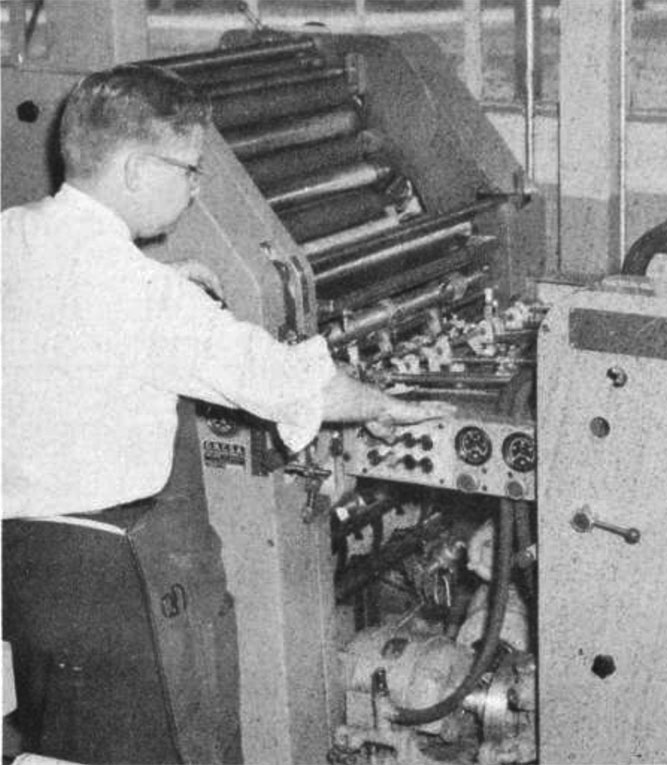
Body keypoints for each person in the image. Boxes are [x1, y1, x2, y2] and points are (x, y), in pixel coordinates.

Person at [1, 64, 452, 763]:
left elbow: (63, 311)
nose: (197, 187)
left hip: (26, 567)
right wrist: (385, 405)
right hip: (111, 576)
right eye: (188, 169)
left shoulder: (15, 233)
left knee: (59, 743)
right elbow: (286, 382)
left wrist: (168, 287)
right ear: (133, 169)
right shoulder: (143, 295)